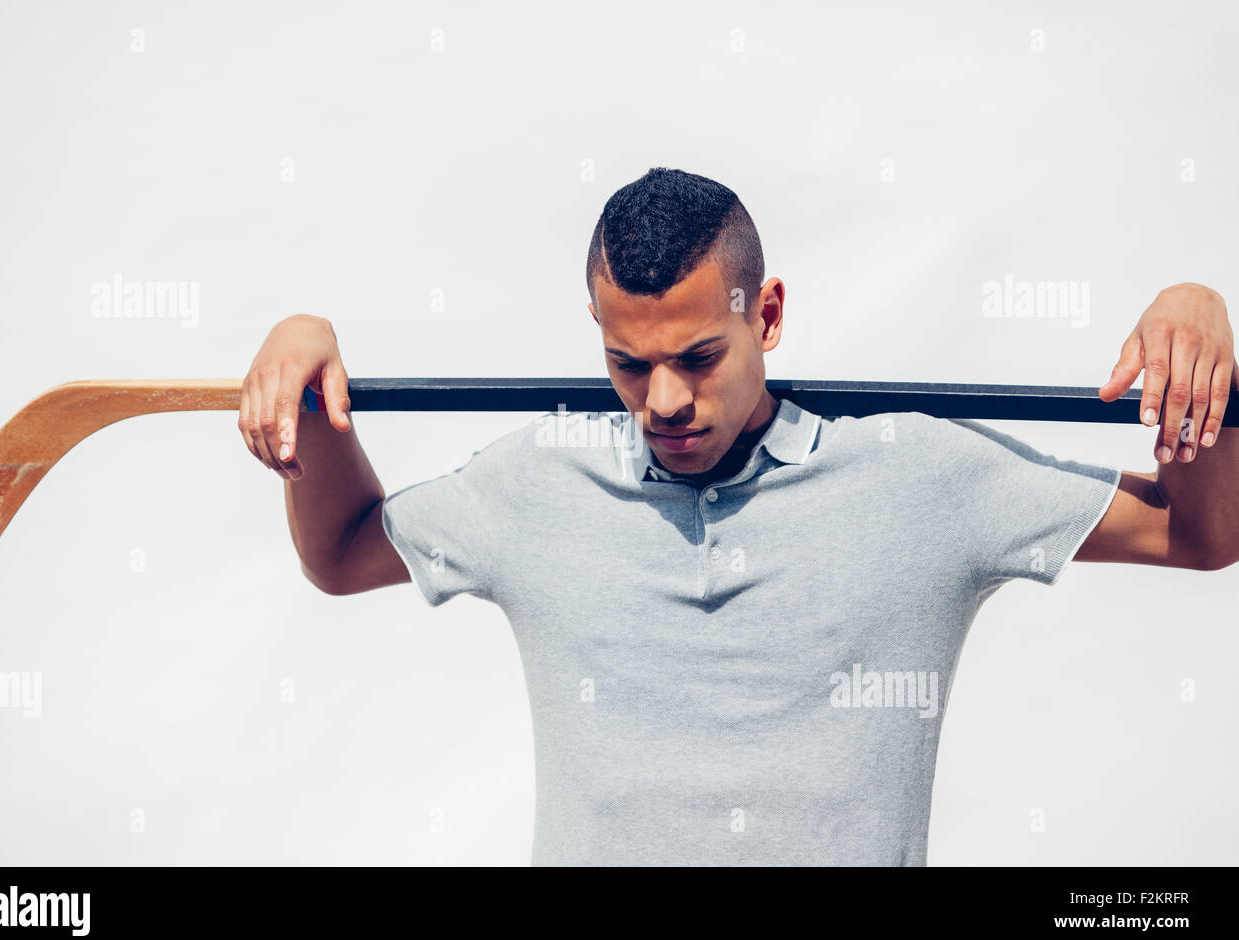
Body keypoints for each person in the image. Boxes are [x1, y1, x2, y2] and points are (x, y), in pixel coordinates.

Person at [237, 166, 1238, 865]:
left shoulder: (922, 474)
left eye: (699, 356)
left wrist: (1197, 337)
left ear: (764, 316)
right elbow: (339, 549)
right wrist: (303, 367)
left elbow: (1198, 534)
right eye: (628, 364)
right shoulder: (538, 481)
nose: (663, 399)